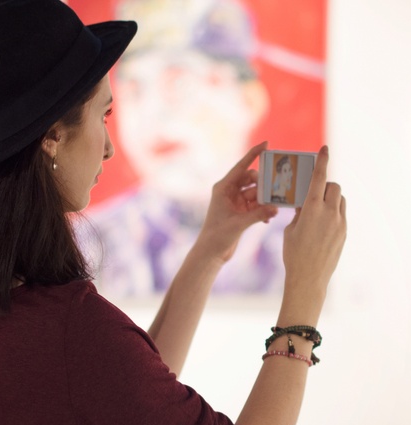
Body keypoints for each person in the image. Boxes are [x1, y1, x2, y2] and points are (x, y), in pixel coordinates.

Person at [0, 1, 346, 425]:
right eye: (104, 114)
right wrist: (305, 297)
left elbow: (121, 395)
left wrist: (208, 250)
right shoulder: (69, 331)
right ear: (51, 137)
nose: (109, 147)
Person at [76, 0, 288, 296]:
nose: (153, 114)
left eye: (180, 85)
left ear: (248, 100)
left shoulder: (292, 242)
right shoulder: (85, 247)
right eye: (134, 91)